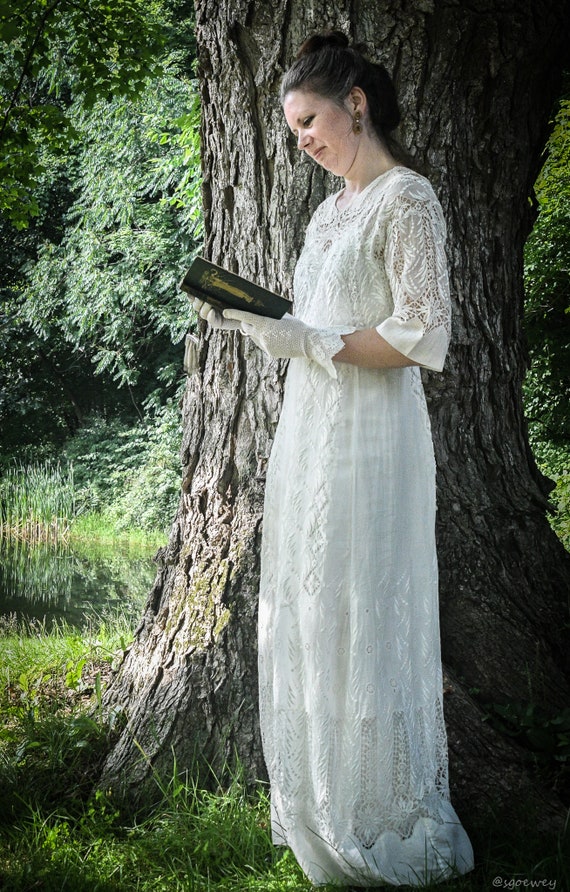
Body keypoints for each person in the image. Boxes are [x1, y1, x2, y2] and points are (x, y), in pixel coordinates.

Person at [193, 29, 474, 888]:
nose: (303, 140)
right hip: (310, 434)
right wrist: (265, 324)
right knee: (312, 606)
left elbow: (422, 333)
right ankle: (321, 796)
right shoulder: (328, 211)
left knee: (361, 606)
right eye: (292, 131)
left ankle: (377, 808)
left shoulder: (406, 198)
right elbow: (314, 328)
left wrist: (307, 341)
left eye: (309, 121)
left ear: (355, 105)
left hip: (372, 438)